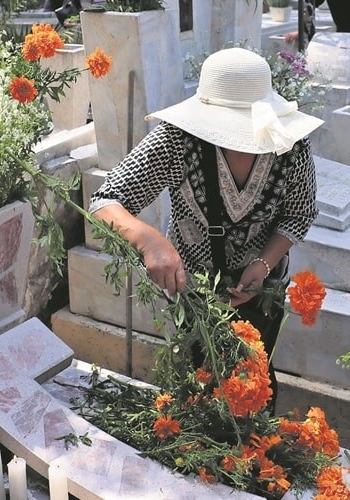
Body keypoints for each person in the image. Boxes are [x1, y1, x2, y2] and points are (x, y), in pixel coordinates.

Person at [90, 48, 320, 399]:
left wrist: (263, 263)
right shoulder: (177, 142)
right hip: (194, 292)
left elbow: (300, 213)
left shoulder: (290, 147)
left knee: (254, 381)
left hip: (262, 289)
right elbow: (105, 201)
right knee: (198, 384)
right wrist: (149, 241)